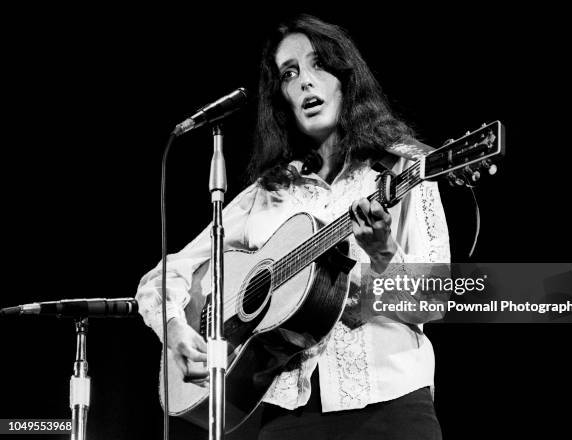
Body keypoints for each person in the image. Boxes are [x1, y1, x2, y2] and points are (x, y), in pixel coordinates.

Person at [136, 14, 450, 440]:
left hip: (390, 406)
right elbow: (161, 277)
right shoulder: (267, 193)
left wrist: (383, 254)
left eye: (319, 64)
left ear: (346, 78)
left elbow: (435, 300)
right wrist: (175, 330)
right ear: (280, 96)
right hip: (287, 415)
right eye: (289, 73)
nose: (305, 81)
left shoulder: (402, 169)